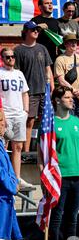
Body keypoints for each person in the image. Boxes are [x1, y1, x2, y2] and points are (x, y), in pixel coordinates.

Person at [44, 86, 79, 240]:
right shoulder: (50, 122)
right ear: (57, 100)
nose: (72, 100)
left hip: (77, 176)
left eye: (72, 97)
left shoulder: (77, 122)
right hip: (58, 177)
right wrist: (44, 176)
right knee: (57, 217)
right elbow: (43, 153)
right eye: (67, 97)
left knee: (72, 217)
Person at [14, 21, 54, 153]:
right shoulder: (18, 50)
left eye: (37, 29)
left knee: (45, 121)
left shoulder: (42, 48)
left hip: (44, 90)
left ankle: (43, 150)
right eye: (33, 30)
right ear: (25, 32)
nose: (36, 31)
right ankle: (26, 152)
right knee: (29, 122)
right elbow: (17, 73)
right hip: (29, 92)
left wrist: (51, 83)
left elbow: (48, 68)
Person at [0, 48, 32, 190]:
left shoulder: (19, 73)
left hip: (19, 114)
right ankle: (5, 176)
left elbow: (25, 92)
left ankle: (16, 177)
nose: (11, 59)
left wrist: (25, 111)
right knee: (4, 146)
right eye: (7, 57)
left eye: (12, 57)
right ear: (2, 58)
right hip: (5, 114)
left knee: (18, 147)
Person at [54, 34, 79, 123]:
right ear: (66, 44)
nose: (74, 44)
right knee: (68, 121)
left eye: (76, 42)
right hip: (68, 97)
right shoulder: (60, 59)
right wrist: (74, 90)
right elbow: (61, 80)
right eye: (71, 42)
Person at [0, 110, 23, 240]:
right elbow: (1, 173)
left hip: (7, 197)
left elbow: (9, 169)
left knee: (17, 238)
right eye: (2, 122)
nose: (5, 125)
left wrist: (14, 182)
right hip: (2, 196)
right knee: (2, 238)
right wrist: (12, 186)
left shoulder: (1, 145)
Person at [31, 0, 61, 64]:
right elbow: (26, 32)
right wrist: (37, 27)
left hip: (52, 57)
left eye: (51, 3)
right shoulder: (35, 20)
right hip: (38, 56)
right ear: (40, 7)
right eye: (47, 3)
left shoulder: (56, 22)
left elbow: (59, 40)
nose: (50, 5)